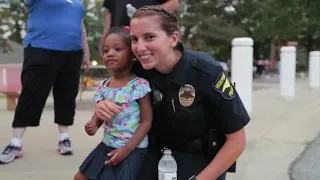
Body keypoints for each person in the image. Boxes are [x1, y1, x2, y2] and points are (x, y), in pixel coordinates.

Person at [95, 5, 250, 180]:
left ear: (173, 38)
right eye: (135, 39)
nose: (139, 47)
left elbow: (237, 140)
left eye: (149, 37)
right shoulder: (138, 70)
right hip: (152, 154)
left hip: (199, 160)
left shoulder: (206, 71)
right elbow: (112, 90)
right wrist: (102, 106)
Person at [0, 0, 91, 164]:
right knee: (31, 94)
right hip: (41, 48)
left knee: (67, 96)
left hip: (72, 52)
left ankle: (64, 138)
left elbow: (80, 24)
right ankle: (15, 143)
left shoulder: (76, 2)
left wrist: (86, 52)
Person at [73, 26, 153, 180]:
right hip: (107, 144)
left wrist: (127, 148)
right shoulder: (104, 85)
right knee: (79, 177)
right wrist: (93, 125)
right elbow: (100, 114)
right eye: (105, 50)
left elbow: (146, 121)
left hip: (132, 148)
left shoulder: (139, 85)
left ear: (132, 55)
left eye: (117, 49)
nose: (110, 53)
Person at [99, 0, 179, 59]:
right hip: (120, 45)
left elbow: (174, 3)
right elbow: (108, 18)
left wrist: (145, 14)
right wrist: (103, 43)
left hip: (149, 43)